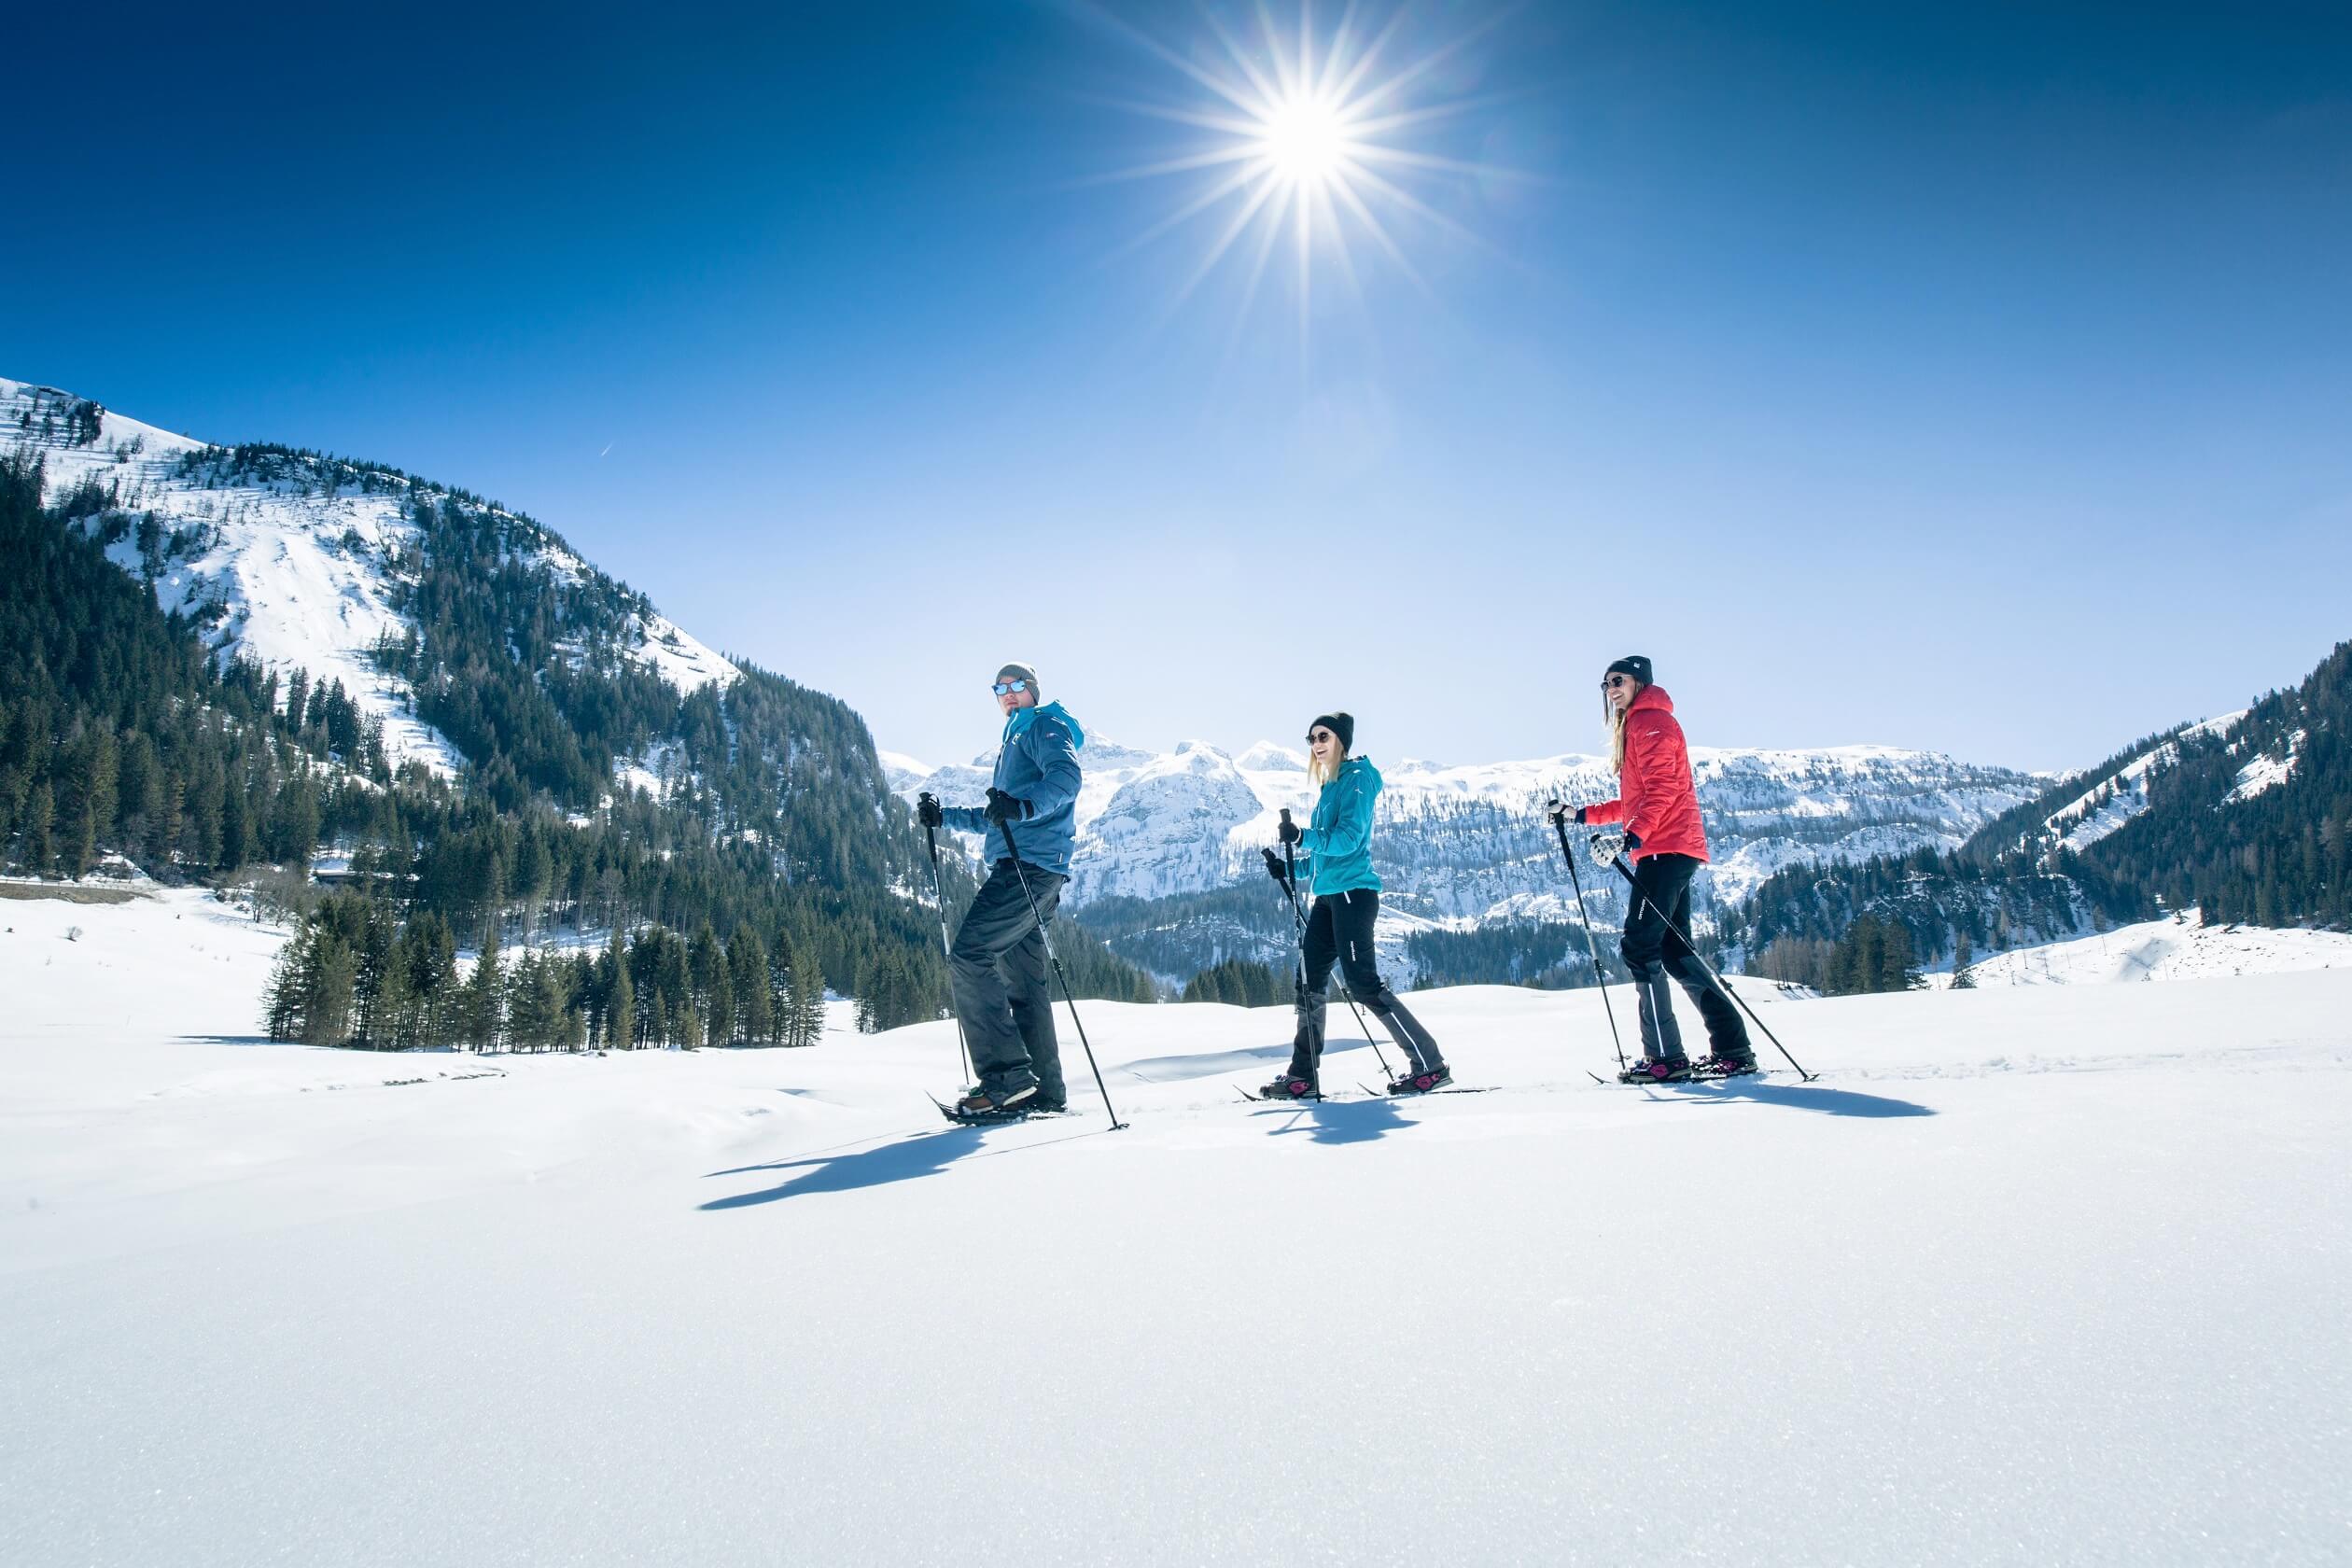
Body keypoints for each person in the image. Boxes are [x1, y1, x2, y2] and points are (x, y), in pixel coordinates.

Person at [1551, 656, 1757, 1083]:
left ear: (1640, 681)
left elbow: (1664, 790)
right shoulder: (1641, 724)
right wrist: (1580, 814)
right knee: (1675, 951)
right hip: (1669, 847)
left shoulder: (1652, 724)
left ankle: (1665, 1057)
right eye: (1605, 683)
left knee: (1641, 947)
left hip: (1664, 848)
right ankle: (1733, 1049)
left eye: (1618, 680)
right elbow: (1635, 800)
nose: (1610, 688)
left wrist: (1633, 836)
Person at [916, 662, 1085, 1117]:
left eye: (1016, 686)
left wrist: (1024, 806)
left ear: (1032, 690)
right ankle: (1043, 1092)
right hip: (1039, 867)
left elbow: (1067, 780)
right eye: (1000, 689)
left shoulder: (1044, 725)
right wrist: (943, 817)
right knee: (1024, 981)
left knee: (970, 956)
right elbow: (997, 815)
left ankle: (1007, 1078)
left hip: (1027, 867)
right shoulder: (1016, 737)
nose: (1008, 694)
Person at [1254, 712, 1449, 1099]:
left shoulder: (1357, 781)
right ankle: (1303, 1075)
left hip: (1354, 896)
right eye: (1310, 738)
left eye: (1323, 736)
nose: (1316, 743)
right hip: (1329, 897)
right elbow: (1327, 858)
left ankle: (1430, 1065)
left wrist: (1303, 836)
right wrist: (1290, 865)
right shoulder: (1331, 786)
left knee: (1363, 984)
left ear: (1341, 739)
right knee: (1308, 982)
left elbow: (1347, 840)